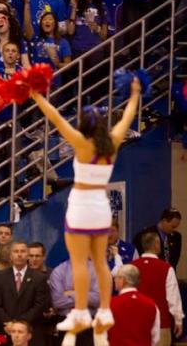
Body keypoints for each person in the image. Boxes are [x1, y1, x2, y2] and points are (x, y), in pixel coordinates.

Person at [29, 77, 141, 334]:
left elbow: (56, 118)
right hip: (101, 209)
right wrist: (135, 93)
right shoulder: (112, 143)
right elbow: (127, 118)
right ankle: (104, 309)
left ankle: (79, 311)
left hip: (80, 207)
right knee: (101, 262)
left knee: (79, 263)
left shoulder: (80, 142)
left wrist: (37, 97)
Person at [0, 241, 50, 346]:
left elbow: (39, 306)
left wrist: (19, 325)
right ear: (11, 255)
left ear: (27, 255)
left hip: (31, 333)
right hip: (6, 330)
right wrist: (9, 323)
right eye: (16, 251)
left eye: (22, 251)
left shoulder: (39, 278)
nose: (19, 254)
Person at [132, 232, 184, 346]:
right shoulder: (166, 268)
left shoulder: (131, 267)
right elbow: (173, 297)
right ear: (156, 245)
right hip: (161, 323)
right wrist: (178, 319)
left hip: (136, 324)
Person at [109, 264, 161, 346]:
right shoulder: (152, 305)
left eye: (117, 277)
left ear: (123, 280)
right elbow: (155, 338)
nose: (114, 280)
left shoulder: (110, 304)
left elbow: (101, 335)